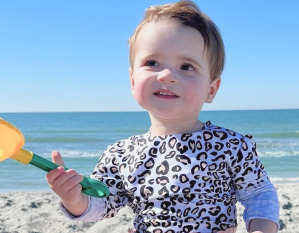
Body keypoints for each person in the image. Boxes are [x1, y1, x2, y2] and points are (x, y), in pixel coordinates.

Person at [46, 1, 280, 232]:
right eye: (152, 63)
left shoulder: (230, 146)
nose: (167, 75)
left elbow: (259, 193)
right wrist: (74, 199)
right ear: (132, 80)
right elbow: (104, 204)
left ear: (211, 89)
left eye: (187, 66)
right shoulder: (121, 154)